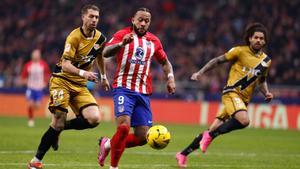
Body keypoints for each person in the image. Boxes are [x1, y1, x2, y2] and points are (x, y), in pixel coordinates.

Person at [176, 23, 274, 168]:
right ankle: (210, 136)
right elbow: (217, 61)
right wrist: (200, 73)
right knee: (244, 120)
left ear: (264, 41)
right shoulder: (239, 51)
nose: (258, 40)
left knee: (212, 128)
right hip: (231, 93)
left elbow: (261, 81)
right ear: (250, 39)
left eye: (261, 38)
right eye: (256, 37)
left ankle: (183, 154)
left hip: (243, 100)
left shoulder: (266, 61)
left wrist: (266, 92)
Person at [27, 4, 110, 169]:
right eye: (91, 16)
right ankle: (36, 161)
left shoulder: (101, 38)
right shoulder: (74, 37)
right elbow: (65, 65)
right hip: (62, 80)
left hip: (79, 85)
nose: (94, 20)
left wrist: (104, 76)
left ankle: (59, 130)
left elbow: (100, 56)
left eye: (97, 17)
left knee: (94, 119)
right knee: (58, 119)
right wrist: (83, 73)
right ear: (83, 17)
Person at [97, 7, 176, 169]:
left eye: (147, 21)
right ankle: (114, 167)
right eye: (140, 19)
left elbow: (165, 62)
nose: (143, 23)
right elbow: (105, 52)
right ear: (133, 20)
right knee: (124, 127)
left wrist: (170, 78)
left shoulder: (154, 41)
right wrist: (121, 44)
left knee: (142, 138)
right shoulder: (122, 34)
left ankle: (107, 145)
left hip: (143, 92)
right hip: (123, 89)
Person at [21, 49, 50, 127]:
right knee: (30, 104)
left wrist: (45, 83)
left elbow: (47, 75)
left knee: (37, 106)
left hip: (39, 88)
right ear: (32, 56)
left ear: (39, 56)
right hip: (30, 88)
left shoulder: (43, 64)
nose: (35, 56)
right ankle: (31, 120)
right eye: (34, 54)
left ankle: (33, 109)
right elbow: (23, 76)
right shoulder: (28, 65)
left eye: (37, 54)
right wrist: (24, 81)